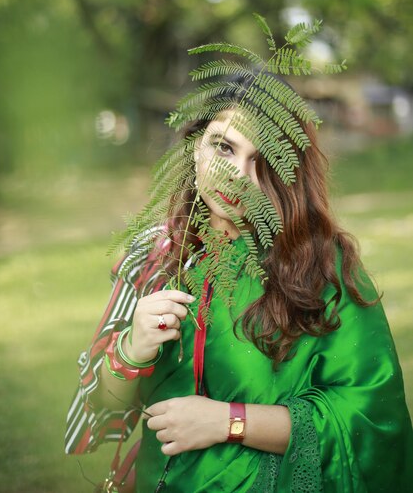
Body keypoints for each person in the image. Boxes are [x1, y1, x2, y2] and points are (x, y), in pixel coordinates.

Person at [65, 72, 413, 493]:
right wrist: (130, 351)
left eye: (261, 161)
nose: (237, 176)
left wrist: (227, 421)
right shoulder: (152, 256)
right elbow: (96, 419)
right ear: (195, 146)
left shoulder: (321, 266)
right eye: (224, 147)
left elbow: (369, 420)